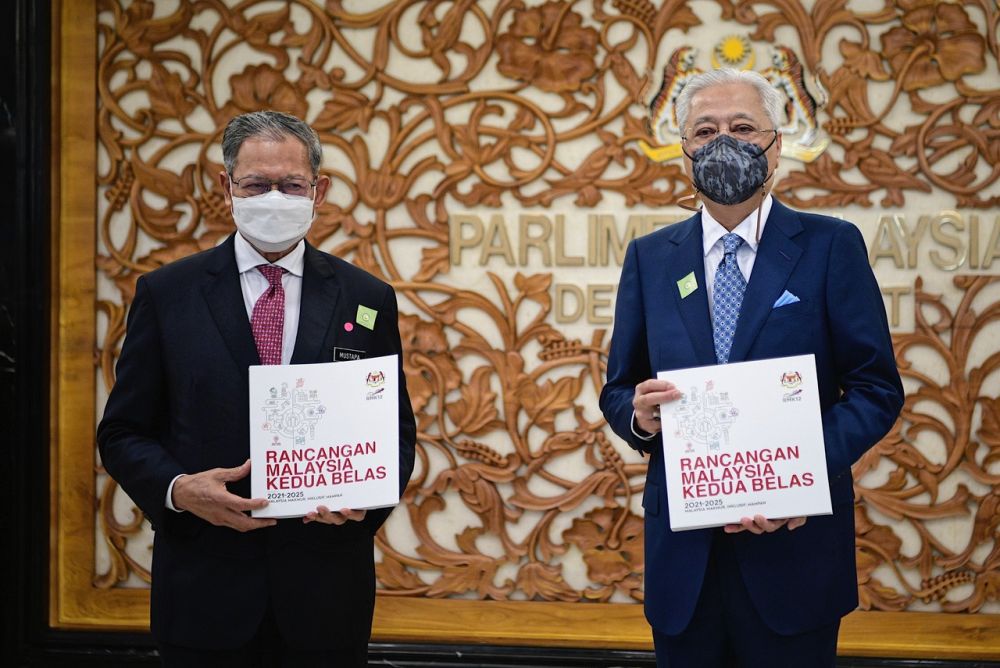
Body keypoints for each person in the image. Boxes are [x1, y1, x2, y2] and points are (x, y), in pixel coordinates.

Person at [600, 69, 903, 667]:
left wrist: (803, 475)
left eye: (742, 126)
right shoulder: (650, 258)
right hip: (684, 562)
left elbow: (874, 387)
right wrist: (638, 417)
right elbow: (618, 389)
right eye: (705, 129)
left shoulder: (830, 246)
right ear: (683, 147)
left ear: (775, 143)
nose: (723, 142)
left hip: (795, 552)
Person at [97, 110, 416, 667]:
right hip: (203, 593)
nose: (274, 197)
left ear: (319, 191)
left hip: (325, 597)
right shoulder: (168, 294)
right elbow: (123, 431)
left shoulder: (367, 298)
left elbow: (396, 432)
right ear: (227, 187)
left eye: (291, 185)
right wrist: (178, 488)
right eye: (256, 184)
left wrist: (364, 502)